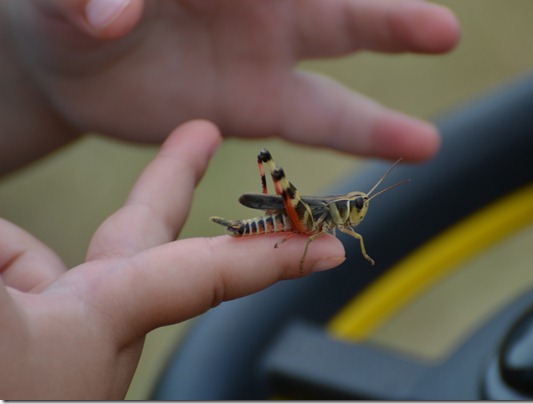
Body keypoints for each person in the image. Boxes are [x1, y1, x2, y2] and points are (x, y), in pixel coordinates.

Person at [0, 0, 460, 399]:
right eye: (359, 206)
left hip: (293, 220)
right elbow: (310, 225)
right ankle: (249, 224)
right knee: (278, 178)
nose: (358, 213)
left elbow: (351, 236)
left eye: (360, 207)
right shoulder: (323, 217)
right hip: (292, 221)